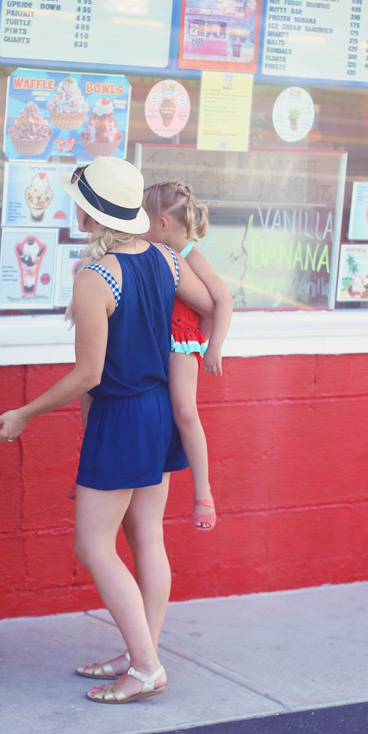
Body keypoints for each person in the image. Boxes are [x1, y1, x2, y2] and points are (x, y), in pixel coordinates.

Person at [0, 156, 213, 705]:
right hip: (159, 410)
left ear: (92, 215)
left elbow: (89, 375)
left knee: (92, 545)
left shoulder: (95, 277)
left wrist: (23, 414)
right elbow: (210, 306)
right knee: (146, 538)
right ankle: (144, 652)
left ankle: (144, 665)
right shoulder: (165, 256)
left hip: (122, 415)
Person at [143, 181, 232, 531]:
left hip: (181, 343)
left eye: (144, 220)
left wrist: (211, 345)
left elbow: (223, 300)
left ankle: (203, 492)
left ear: (162, 225)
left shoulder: (190, 254)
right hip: (160, 341)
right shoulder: (156, 253)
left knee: (185, 412)